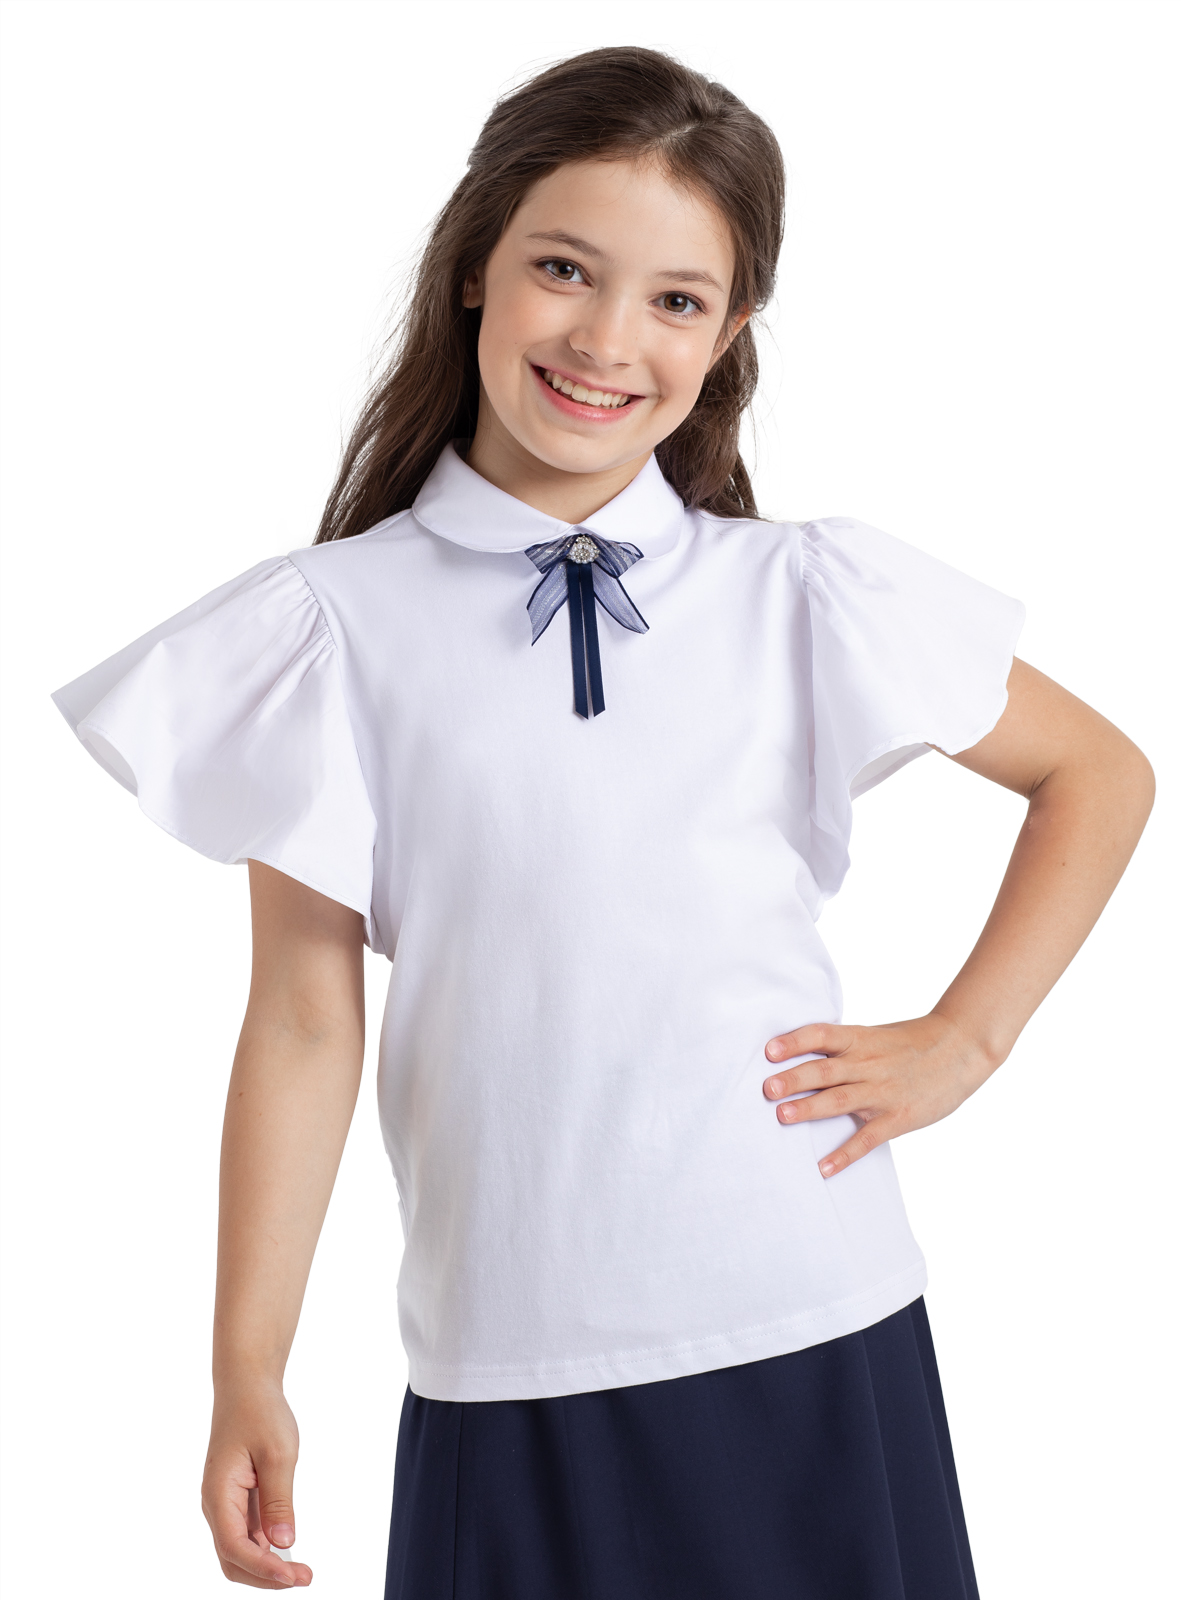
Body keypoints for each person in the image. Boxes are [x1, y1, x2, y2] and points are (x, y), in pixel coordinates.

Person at [51, 45, 1154, 1600]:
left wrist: (967, 1039)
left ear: (730, 333)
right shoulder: (327, 631)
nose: (607, 339)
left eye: (676, 299)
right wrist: (250, 1362)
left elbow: (1096, 772)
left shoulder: (799, 596)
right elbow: (303, 1015)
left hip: (811, 1315)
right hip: (510, 1354)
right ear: (476, 267)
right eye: (564, 269)